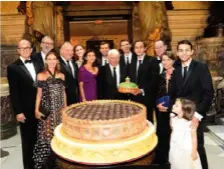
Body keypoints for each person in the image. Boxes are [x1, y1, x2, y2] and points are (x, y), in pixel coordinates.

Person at [171, 40, 214, 169]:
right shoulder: (176, 70)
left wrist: (197, 115)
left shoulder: (201, 67)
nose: (184, 53)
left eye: (186, 50)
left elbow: (208, 93)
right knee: (182, 148)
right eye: (181, 50)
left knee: (198, 147)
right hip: (179, 117)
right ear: (177, 52)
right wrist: (172, 114)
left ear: (192, 52)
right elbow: (174, 94)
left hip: (195, 115)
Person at [7, 39, 41, 169]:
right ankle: (29, 166)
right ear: (18, 50)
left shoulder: (38, 63)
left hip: (40, 108)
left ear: (31, 49)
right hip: (25, 110)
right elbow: (13, 92)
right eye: (22, 48)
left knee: (40, 138)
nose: (25, 50)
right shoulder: (13, 67)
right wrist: (18, 112)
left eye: (27, 48)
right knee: (28, 141)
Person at [33, 51, 66, 169]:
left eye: (54, 59)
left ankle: (58, 162)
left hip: (59, 110)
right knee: (46, 135)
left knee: (58, 134)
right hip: (47, 109)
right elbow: (38, 95)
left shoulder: (61, 75)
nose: (52, 61)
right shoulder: (41, 75)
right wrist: (36, 110)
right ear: (46, 61)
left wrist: (65, 109)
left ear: (57, 61)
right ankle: (45, 163)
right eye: (49, 59)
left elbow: (63, 93)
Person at [129, 40, 159, 122]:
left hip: (147, 97)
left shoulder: (152, 60)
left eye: (141, 47)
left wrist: (142, 90)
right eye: (136, 47)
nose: (138, 49)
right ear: (134, 49)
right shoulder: (131, 62)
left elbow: (154, 80)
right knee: (136, 121)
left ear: (145, 48)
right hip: (134, 98)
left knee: (148, 121)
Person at [169, 98, 202, 169]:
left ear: (184, 110)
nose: (173, 106)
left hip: (186, 150)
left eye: (176, 106)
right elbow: (173, 132)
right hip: (175, 148)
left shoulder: (189, 123)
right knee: (176, 164)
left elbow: (194, 138)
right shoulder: (175, 119)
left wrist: (194, 151)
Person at [156, 51, 175, 159]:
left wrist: (171, 107)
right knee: (162, 134)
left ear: (173, 60)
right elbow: (157, 93)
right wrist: (158, 104)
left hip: (175, 111)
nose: (166, 62)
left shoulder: (178, 75)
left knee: (173, 135)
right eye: (164, 60)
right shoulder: (160, 76)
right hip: (161, 110)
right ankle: (163, 159)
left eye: (168, 59)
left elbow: (180, 94)